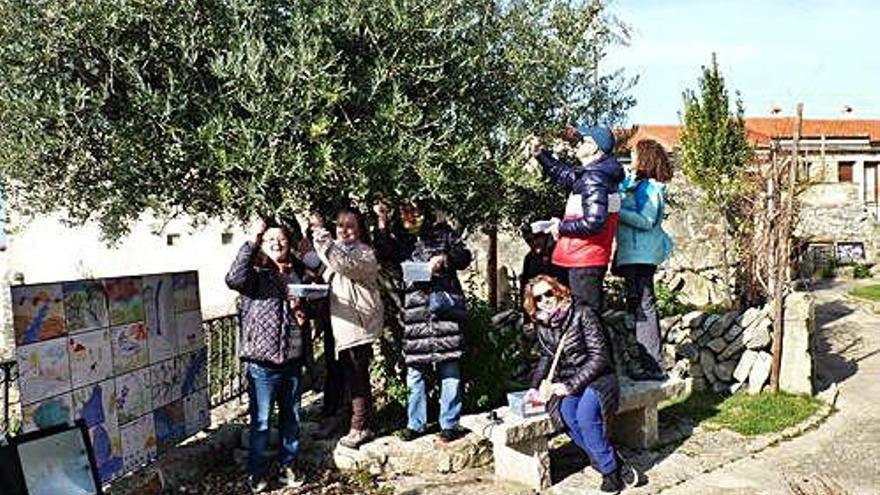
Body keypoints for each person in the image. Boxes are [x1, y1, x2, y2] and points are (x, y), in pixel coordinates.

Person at [523, 275, 637, 494]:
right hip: (569, 381)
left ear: (558, 290)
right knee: (566, 414)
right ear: (533, 303)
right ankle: (612, 458)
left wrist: (569, 386)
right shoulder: (543, 323)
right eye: (539, 298)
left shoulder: (583, 313)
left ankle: (610, 471)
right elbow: (546, 358)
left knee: (586, 416)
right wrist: (534, 386)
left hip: (599, 377)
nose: (546, 300)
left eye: (549, 293)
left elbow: (600, 357)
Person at [374, 202, 473, 443]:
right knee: (415, 371)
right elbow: (384, 252)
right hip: (415, 312)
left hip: (443, 310)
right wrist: (382, 222)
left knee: (449, 368)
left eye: (415, 209)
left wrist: (445, 259)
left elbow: (464, 256)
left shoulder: (443, 233)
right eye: (405, 210)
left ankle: (449, 423)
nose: (411, 214)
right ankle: (415, 424)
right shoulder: (399, 238)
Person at [225, 219, 307, 493]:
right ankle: (257, 473)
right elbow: (232, 278)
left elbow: (313, 307)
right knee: (261, 421)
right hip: (262, 362)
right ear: (262, 243)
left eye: (281, 238)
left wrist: (304, 312)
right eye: (269, 238)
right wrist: (251, 239)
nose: (276, 242)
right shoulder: (255, 275)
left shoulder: (297, 273)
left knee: (291, 418)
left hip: (293, 359)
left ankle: (289, 465)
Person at [528, 124, 625, 311]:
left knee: (587, 320)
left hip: (584, 259)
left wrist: (561, 227)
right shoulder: (594, 174)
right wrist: (541, 154)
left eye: (582, 141)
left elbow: (594, 222)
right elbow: (564, 175)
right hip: (582, 258)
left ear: (594, 147)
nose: (577, 145)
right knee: (581, 320)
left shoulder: (595, 177)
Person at [310, 208, 384, 449]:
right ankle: (338, 419)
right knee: (337, 373)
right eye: (340, 225)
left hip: (356, 324)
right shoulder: (339, 251)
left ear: (360, 228)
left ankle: (361, 426)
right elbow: (326, 269)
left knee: (356, 375)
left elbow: (342, 264)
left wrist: (320, 233)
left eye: (350, 225)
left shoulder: (365, 253)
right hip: (337, 323)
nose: (344, 230)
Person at [614, 138, 675, 380]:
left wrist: (617, 211)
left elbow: (646, 220)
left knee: (643, 308)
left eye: (635, 156)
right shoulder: (636, 184)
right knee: (639, 306)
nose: (632, 160)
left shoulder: (651, 188)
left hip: (641, 254)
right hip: (633, 254)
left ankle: (654, 366)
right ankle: (650, 364)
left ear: (645, 159)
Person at [519, 230, 568, 303]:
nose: (534, 242)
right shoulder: (529, 258)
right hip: (539, 301)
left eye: (536, 238)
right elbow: (525, 282)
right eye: (529, 240)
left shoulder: (557, 253)